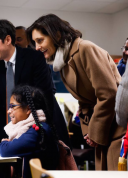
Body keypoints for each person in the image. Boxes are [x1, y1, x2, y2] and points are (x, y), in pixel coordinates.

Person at [26, 14, 126, 170]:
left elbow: (108, 94)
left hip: (115, 126)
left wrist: (94, 132)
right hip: (104, 127)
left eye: (40, 40)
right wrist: (88, 131)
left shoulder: (85, 49)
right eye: (35, 42)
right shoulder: (63, 61)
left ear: (56, 35)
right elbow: (84, 100)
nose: (37, 47)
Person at [0, 19, 71, 148]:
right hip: (7, 128)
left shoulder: (34, 58)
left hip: (36, 125)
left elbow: (44, 96)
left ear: (7, 40)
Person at [0, 85, 59, 178]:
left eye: (13, 106)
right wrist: (5, 145)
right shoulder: (33, 127)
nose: (9, 111)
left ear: (28, 109)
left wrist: (2, 144)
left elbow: (7, 151)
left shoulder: (38, 131)